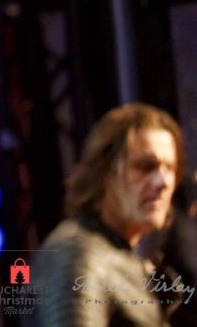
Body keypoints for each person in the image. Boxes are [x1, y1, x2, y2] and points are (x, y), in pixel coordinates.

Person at [30, 103, 186, 326]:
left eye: (170, 168)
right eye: (146, 166)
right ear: (104, 172)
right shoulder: (78, 255)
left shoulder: (111, 252)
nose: (163, 182)